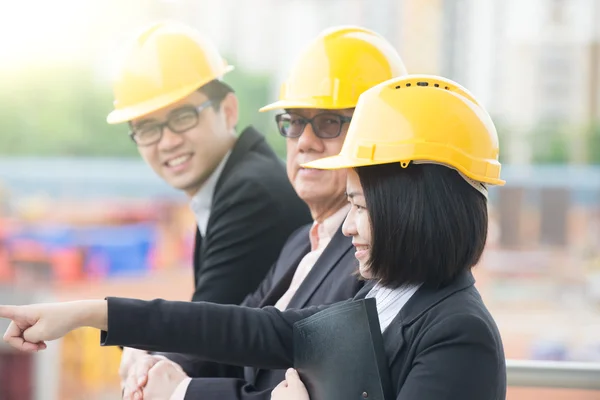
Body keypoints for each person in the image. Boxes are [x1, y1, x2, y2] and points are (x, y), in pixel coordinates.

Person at [0, 74, 507, 400]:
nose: (347, 225)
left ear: (411, 208)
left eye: (358, 206)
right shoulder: (385, 294)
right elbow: (254, 329)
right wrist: (93, 313)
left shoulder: (458, 335)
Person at [120, 25, 409, 400]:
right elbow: (237, 328)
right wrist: (161, 363)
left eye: (329, 122)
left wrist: (181, 390)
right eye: (295, 123)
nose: (305, 141)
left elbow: (312, 389)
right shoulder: (299, 245)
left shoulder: (372, 259)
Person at [107, 21, 312, 379]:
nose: (167, 141)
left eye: (183, 117)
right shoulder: (234, 182)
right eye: (147, 128)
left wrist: (143, 353)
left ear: (229, 110)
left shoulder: (252, 194)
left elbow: (204, 339)